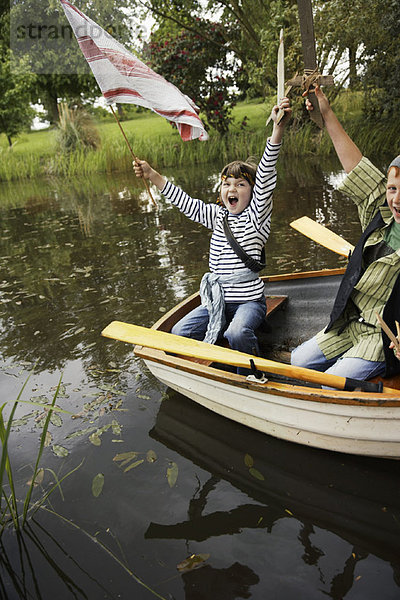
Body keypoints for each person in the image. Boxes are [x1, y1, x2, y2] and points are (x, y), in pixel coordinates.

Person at [134, 97, 292, 373]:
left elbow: (266, 173)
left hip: (248, 302)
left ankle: (253, 374)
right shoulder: (217, 216)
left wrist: (277, 130)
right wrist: (152, 175)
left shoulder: (256, 217)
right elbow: (184, 201)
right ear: (221, 192)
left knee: (238, 333)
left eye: (241, 184)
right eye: (227, 184)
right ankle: (221, 360)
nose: (232, 188)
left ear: (253, 193)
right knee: (180, 332)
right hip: (216, 300)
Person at [291, 85, 400, 381]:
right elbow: (356, 165)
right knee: (297, 361)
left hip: (383, 338)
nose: (397, 199)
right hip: (350, 323)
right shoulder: (381, 213)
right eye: (393, 189)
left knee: (333, 383)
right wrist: (327, 115)